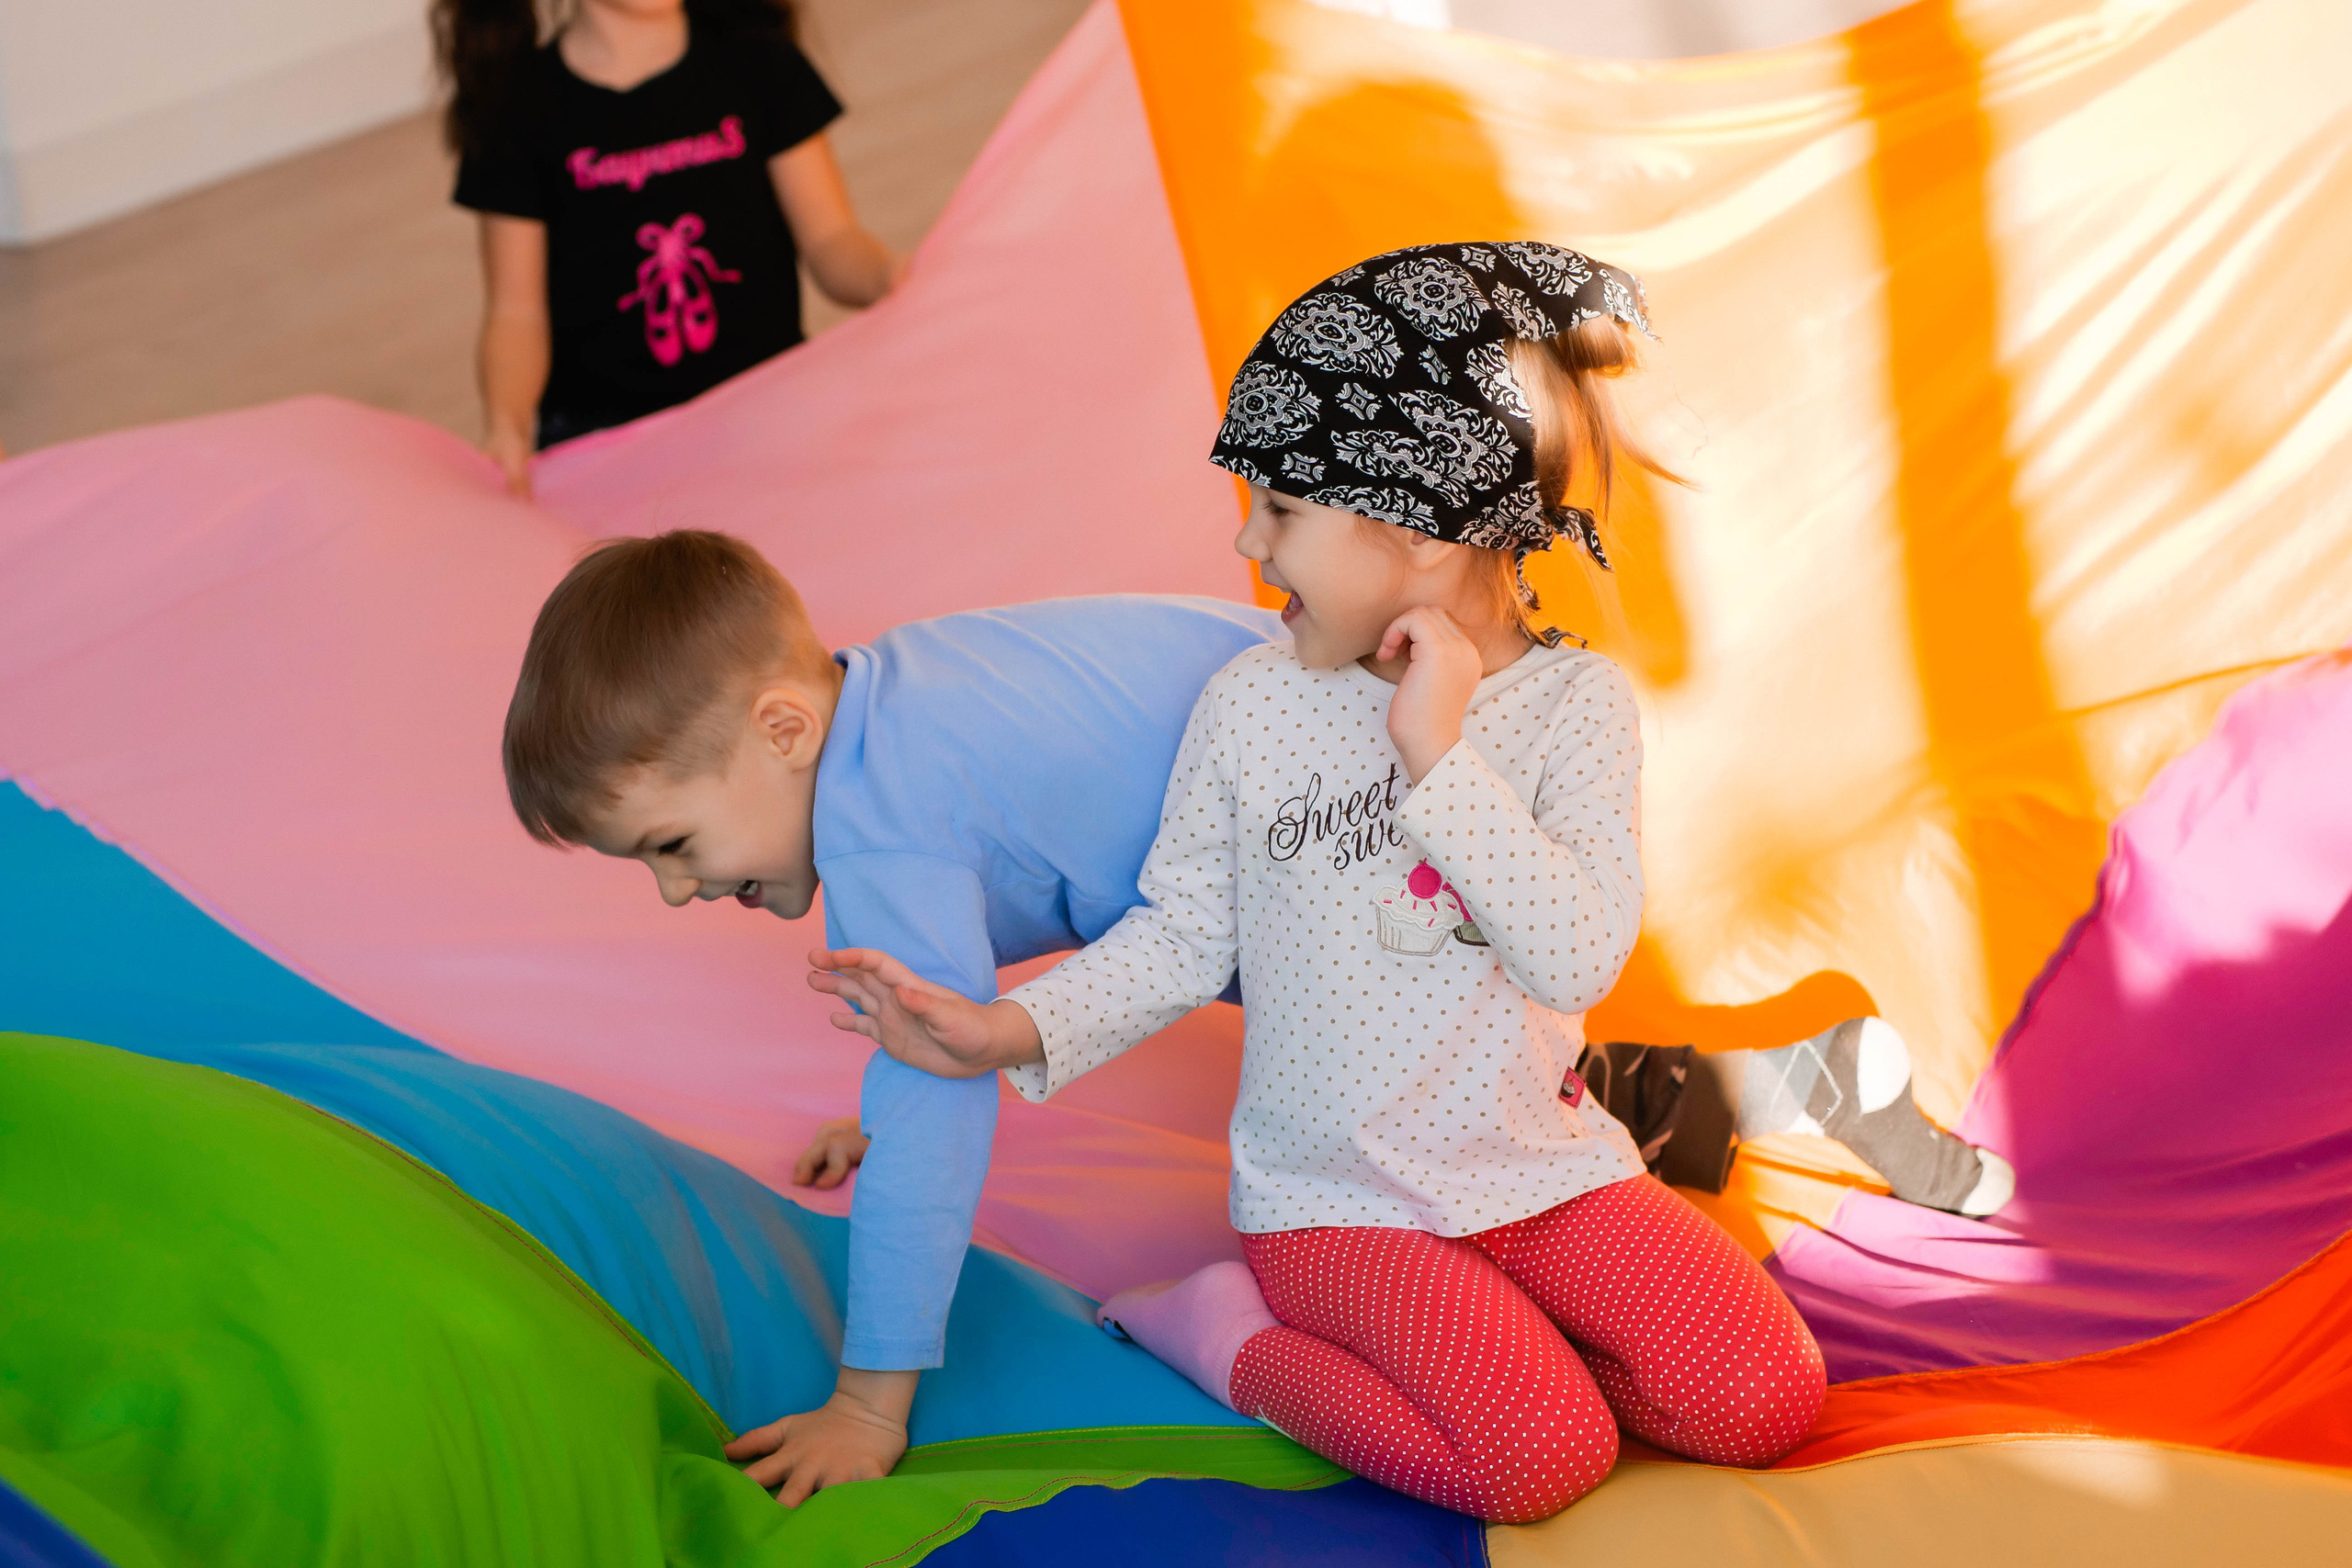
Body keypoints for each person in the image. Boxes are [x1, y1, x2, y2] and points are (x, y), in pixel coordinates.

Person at [808, 243, 1838, 1523]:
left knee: (1764, 1393)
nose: (1245, 538)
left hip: (1548, 1170)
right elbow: (1181, 931)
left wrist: (1437, 752)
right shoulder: (1252, 706)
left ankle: (1499, 1336)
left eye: (1278, 509)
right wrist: (1004, 1028)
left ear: (1404, 524)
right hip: (1340, 1209)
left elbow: (1574, 956)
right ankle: (1228, 1333)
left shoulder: (1579, 707)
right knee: (1538, 1456)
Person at [498, 529, 1281, 1504]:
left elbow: (938, 1094)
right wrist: (893, 1100)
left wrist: (868, 1406)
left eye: (673, 843)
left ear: (783, 731)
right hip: (1350, 768)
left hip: (1352, 849)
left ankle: (1242, 1319)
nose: (671, 891)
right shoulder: (894, 700)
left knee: (1392, 1181)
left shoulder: (878, 833)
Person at [435, 0, 899, 495]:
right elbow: (516, 314)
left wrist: (888, 275)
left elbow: (831, 240)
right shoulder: (517, 108)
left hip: (770, 410)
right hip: (609, 445)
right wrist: (507, 426)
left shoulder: (759, 61)